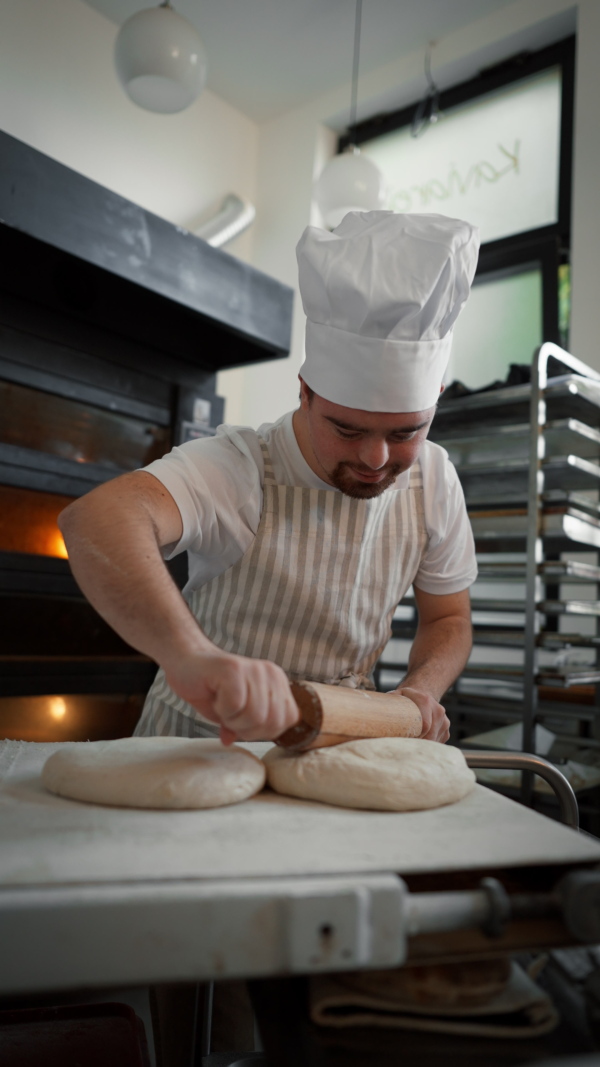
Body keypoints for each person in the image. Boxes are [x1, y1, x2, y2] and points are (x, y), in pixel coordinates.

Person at [59, 210, 480, 746]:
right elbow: (96, 519)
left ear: (434, 401)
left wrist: (420, 691)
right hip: (200, 743)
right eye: (347, 429)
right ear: (305, 392)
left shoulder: (436, 479)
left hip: (338, 747)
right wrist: (192, 657)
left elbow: (449, 618)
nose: (376, 458)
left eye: (404, 433)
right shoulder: (239, 467)